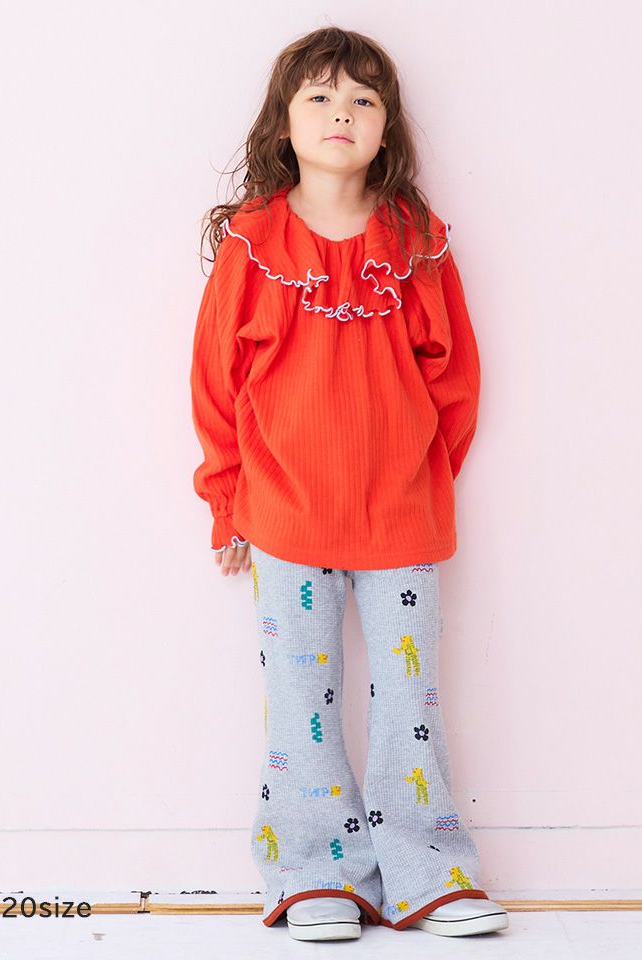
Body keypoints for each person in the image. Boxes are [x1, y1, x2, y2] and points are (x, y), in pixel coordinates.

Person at [189, 25, 509, 943]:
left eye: (363, 99)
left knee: (411, 704)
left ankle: (428, 871)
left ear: (387, 126)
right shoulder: (254, 243)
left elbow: (456, 377)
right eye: (321, 96)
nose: (342, 113)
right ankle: (313, 872)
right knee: (302, 707)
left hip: (400, 516)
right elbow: (215, 384)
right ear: (284, 122)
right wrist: (226, 502)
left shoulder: (416, 241)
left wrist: (422, 477)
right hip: (284, 515)